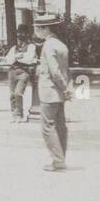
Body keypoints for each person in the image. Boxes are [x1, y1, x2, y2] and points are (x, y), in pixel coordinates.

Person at [35, 13, 74, 172]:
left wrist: (65, 88)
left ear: (45, 28)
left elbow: (54, 71)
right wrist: (66, 88)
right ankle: (61, 158)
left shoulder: (48, 45)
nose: (36, 31)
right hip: (58, 92)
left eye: (38, 28)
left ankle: (57, 161)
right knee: (60, 126)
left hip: (49, 91)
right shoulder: (61, 45)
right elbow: (66, 70)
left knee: (48, 127)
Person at [7, 28, 40, 124]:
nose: (20, 40)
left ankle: (19, 115)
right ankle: (14, 115)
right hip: (12, 71)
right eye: (18, 36)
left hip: (23, 72)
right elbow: (8, 59)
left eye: (22, 36)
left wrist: (17, 58)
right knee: (12, 95)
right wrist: (18, 57)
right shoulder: (14, 48)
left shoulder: (31, 47)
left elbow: (29, 60)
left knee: (18, 93)